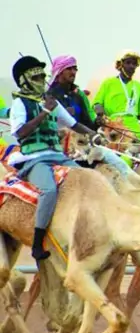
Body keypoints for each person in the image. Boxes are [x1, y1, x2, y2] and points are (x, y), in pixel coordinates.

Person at [9, 56, 101, 260]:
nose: (42, 79)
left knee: (88, 178)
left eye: (44, 75)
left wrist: (93, 134)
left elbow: (73, 124)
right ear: (25, 80)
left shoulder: (51, 102)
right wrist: (43, 113)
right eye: (38, 76)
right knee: (49, 190)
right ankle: (37, 242)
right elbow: (20, 132)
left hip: (58, 156)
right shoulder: (19, 104)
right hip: (34, 158)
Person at [48, 55, 134, 175]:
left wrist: (97, 123)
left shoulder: (77, 97)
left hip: (83, 142)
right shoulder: (49, 97)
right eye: (69, 69)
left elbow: (86, 123)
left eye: (75, 69)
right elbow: (47, 124)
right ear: (59, 71)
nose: (73, 72)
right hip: (63, 145)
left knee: (118, 164)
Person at [92, 50, 140, 142]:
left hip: (134, 125)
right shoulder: (108, 83)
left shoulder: (138, 86)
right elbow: (97, 103)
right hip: (114, 125)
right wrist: (100, 115)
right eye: (128, 63)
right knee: (122, 149)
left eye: (134, 64)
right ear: (120, 64)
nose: (131, 66)